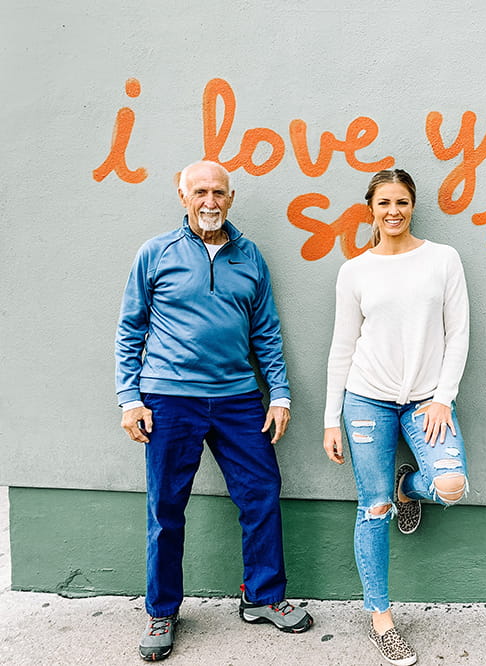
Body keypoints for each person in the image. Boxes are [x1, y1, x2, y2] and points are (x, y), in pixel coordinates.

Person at [115, 160, 313, 661]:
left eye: (218, 192)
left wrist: (281, 393)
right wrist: (130, 398)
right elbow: (129, 330)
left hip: (238, 398)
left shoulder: (250, 256)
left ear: (231, 197)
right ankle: (162, 612)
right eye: (199, 191)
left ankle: (262, 597)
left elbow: (266, 331)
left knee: (262, 490)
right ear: (181, 195)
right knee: (166, 506)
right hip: (168, 397)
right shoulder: (155, 253)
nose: (210, 201)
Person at [323, 168, 470, 666]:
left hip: (426, 398)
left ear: (413, 206)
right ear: (371, 209)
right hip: (366, 397)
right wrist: (329, 419)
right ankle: (381, 618)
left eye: (402, 202)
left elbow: (458, 334)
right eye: (384, 203)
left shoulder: (442, 260)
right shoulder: (355, 270)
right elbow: (342, 348)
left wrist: (443, 398)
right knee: (374, 506)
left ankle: (412, 488)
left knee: (450, 485)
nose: (393, 211)